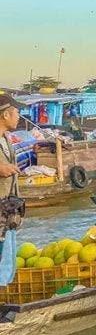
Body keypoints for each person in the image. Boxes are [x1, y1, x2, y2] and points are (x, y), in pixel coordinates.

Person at [0, 94, 27, 257]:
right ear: (5, 115)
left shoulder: (6, 139)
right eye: (16, 113)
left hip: (8, 210)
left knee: (5, 261)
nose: (19, 117)